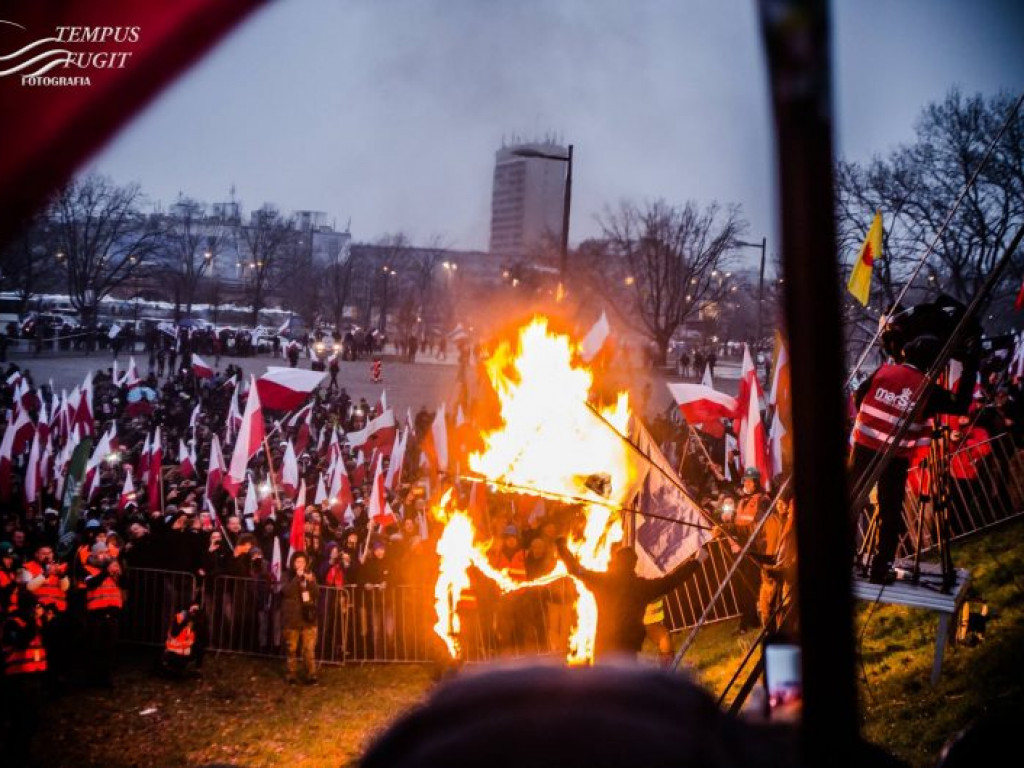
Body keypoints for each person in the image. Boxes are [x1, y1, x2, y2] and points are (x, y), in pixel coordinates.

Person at [849, 334, 979, 584]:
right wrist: (970, 364)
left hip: (864, 446)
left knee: (852, 500)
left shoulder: (883, 371)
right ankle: (881, 567)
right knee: (889, 511)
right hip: (895, 456)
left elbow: (859, 396)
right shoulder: (927, 389)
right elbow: (960, 404)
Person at [554, 539, 708, 662]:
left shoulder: (602, 581)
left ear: (615, 562)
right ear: (634, 564)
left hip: (603, 645)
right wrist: (697, 561)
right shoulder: (642, 587)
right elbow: (673, 581)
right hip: (628, 646)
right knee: (624, 684)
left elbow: (575, 569)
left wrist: (561, 547)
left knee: (603, 686)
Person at [282, 551, 320, 684]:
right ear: (293, 563)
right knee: (291, 649)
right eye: (298, 561)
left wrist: (311, 582)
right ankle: (291, 674)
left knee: (308, 649)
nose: (300, 564)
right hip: (292, 619)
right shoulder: (286, 575)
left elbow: (317, 593)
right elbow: (286, 591)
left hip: (308, 618)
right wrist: (297, 578)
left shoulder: (310, 575)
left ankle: (311, 675)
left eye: (303, 562)